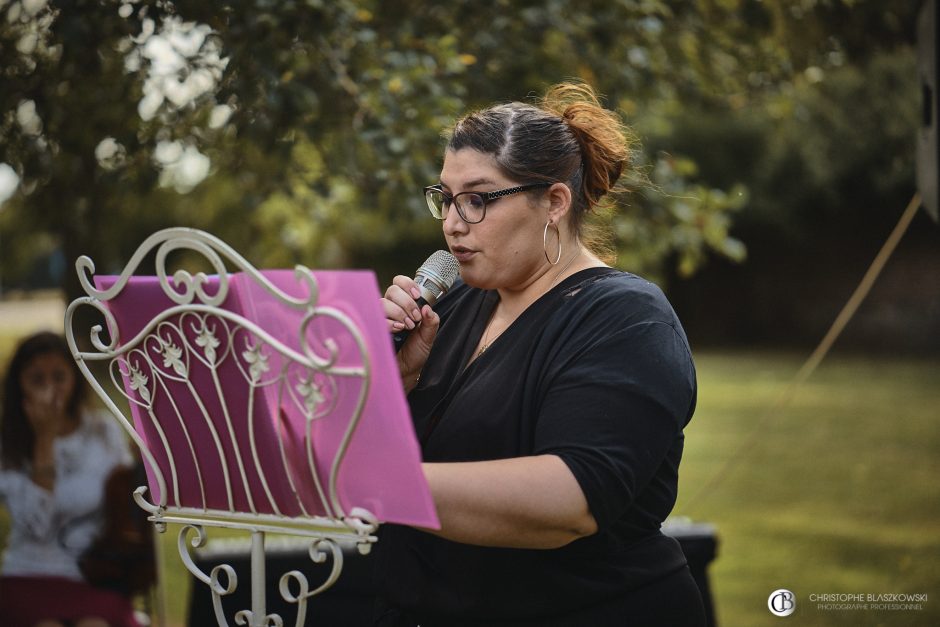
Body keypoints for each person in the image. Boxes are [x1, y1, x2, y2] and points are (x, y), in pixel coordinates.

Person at [376, 82, 706, 626]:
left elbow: (568, 503)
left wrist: (379, 481)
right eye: (446, 198)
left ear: (554, 202)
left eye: (478, 199)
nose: (453, 222)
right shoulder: (455, 304)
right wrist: (400, 382)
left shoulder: (627, 318)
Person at [0, 331, 141, 627]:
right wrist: (44, 439)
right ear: (20, 386)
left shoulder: (102, 431)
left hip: (92, 574)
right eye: (37, 380)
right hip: (28, 574)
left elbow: (131, 499)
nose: (50, 389)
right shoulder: (8, 444)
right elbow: (36, 524)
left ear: (74, 379)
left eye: (59, 377)